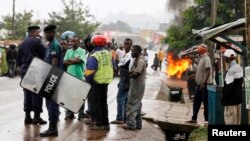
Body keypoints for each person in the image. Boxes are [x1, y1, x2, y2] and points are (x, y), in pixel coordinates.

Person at [17, 25, 47, 125]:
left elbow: (19, 58)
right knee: (37, 93)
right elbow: (43, 55)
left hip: (24, 69)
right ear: (33, 32)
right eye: (38, 32)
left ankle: (27, 116)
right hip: (35, 67)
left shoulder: (22, 43)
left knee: (27, 93)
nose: (39, 33)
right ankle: (37, 117)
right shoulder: (37, 41)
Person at [85, 34, 113, 130]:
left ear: (94, 43)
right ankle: (106, 123)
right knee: (103, 103)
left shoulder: (94, 55)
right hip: (106, 81)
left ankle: (99, 124)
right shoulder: (108, 53)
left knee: (96, 103)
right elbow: (112, 65)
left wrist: (87, 81)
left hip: (96, 82)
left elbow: (90, 71)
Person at [39, 25, 62, 137]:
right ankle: (53, 126)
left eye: (48, 33)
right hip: (51, 76)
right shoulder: (50, 45)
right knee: (50, 103)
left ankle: (53, 129)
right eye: (45, 33)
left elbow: (54, 63)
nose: (47, 35)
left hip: (53, 77)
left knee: (51, 102)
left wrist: (50, 79)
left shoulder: (54, 45)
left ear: (53, 33)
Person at [186, 43, 212, 125]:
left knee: (205, 103)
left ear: (202, 50)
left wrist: (203, 83)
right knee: (196, 101)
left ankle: (206, 121)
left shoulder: (206, 58)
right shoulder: (201, 58)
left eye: (199, 49)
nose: (198, 50)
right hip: (199, 84)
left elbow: (208, 71)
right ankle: (194, 118)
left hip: (205, 84)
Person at [63, 36, 87, 121]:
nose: (73, 43)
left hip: (79, 77)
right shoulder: (68, 51)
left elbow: (79, 61)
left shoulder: (82, 51)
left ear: (78, 42)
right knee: (69, 96)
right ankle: (69, 114)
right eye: (71, 42)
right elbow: (64, 62)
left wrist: (70, 61)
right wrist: (74, 60)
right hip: (69, 77)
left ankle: (81, 114)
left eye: (75, 41)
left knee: (80, 96)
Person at [110, 38, 133, 124]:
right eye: (125, 44)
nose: (127, 45)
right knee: (124, 99)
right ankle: (124, 118)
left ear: (131, 45)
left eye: (128, 44)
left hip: (126, 79)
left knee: (120, 98)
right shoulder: (124, 53)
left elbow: (128, 69)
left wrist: (127, 83)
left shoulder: (130, 55)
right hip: (122, 78)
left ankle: (120, 118)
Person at [123, 45, 146, 130]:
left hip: (137, 86)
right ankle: (138, 125)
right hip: (136, 85)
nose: (131, 53)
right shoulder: (137, 59)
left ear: (138, 52)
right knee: (138, 105)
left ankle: (131, 125)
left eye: (133, 51)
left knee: (131, 104)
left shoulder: (140, 61)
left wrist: (130, 74)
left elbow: (136, 73)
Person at [221, 49, 243, 125]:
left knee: (229, 122)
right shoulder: (239, 68)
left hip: (230, 102)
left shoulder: (230, 71)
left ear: (227, 58)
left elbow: (229, 88)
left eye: (225, 57)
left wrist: (224, 99)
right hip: (238, 102)